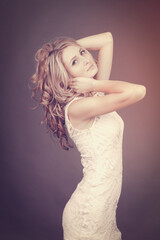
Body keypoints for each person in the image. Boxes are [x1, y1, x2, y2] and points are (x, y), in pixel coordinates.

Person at [30, 32, 146, 240]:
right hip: (88, 214)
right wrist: (93, 84)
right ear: (65, 77)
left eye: (83, 53)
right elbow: (138, 91)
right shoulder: (78, 107)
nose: (85, 60)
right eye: (75, 62)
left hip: (105, 210)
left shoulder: (95, 95)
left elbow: (108, 39)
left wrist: (63, 51)